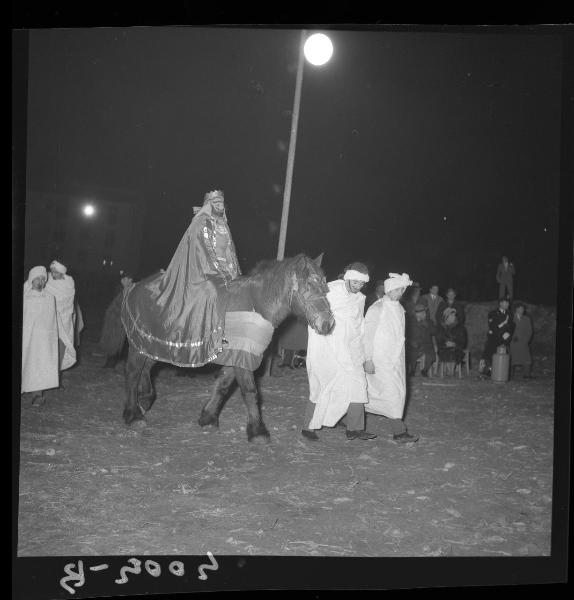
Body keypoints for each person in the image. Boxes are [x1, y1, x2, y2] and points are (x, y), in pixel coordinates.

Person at [122, 190, 241, 366]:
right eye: (216, 203)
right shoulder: (202, 222)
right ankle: (211, 337)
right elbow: (204, 250)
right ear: (208, 205)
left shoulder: (224, 225)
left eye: (222, 203)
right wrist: (221, 273)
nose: (220, 206)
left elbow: (231, 253)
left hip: (223, 271)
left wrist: (235, 274)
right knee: (212, 291)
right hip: (202, 271)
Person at [302, 262, 376, 442]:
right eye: (355, 282)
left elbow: (359, 326)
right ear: (348, 277)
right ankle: (308, 426)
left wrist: (363, 354)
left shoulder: (360, 299)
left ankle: (355, 429)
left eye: (361, 283)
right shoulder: (330, 290)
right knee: (323, 384)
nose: (358, 287)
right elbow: (313, 311)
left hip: (351, 349)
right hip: (327, 347)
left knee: (358, 386)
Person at [363, 272, 419, 444]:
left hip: (395, 360)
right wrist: (368, 358)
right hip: (379, 359)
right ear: (389, 289)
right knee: (382, 392)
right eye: (398, 289)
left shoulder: (400, 309)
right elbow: (367, 335)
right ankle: (399, 431)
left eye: (402, 290)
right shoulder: (377, 308)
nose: (400, 293)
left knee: (397, 392)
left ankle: (347, 417)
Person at [21, 266, 60, 406]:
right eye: (37, 278)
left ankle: (37, 395)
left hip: (43, 340)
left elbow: (51, 321)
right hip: (26, 338)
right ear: (31, 279)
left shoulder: (49, 298)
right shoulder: (25, 297)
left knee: (40, 365)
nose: (40, 281)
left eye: (43, 278)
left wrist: (48, 338)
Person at [45, 260, 76, 373]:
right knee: (49, 346)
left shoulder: (69, 282)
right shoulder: (47, 280)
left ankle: (58, 374)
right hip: (49, 318)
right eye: (52, 271)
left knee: (62, 344)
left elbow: (68, 301)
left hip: (64, 319)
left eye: (56, 272)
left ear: (62, 273)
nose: (53, 275)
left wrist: (60, 310)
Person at [99, 271, 135, 368]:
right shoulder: (119, 289)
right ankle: (111, 362)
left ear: (130, 279)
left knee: (122, 343)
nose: (122, 281)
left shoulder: (133, 290)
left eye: (125, 279)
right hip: (115, 320)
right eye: (122, 279)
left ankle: (123, 363)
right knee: (113, 341)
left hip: (125, 322)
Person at [479, 297, 514, 376]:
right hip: (494, 338)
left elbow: (512, 326)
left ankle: (501, 372)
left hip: (505, 339)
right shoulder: (493, 313)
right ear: (500, 303)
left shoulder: (510, 314)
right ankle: (485, 372)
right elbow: (493, 327)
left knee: (504, 356)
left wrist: (508, 333)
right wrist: (503, 326)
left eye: (508, 303)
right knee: (489, 355)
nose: (508, 304)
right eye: (506, 303)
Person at [406, 303, 437, 377]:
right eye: (422, 312)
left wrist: (426, 324)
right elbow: (406, 335)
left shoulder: (429, 321)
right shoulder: (410, 322)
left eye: (424, 312)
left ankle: (425, 370)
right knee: (412, 352)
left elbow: (434, 332)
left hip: (426, 345)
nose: (424, 313)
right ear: (417, 313)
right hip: (414, 344)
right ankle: (412, 370)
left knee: (430, 355)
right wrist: (411, 342)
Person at [435, 309, 468, 376]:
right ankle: (449, 370)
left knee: (455, 352)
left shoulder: (460, 328)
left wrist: (454, 343)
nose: (454, 317)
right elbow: (439, 338)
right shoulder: (441, 327)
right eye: (451, 315)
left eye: (454, 315)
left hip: (456, 347)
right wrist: (446, 343)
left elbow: (463, 340)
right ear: (446, 317)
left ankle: (452, 370)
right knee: (445, 352)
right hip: (444, 347)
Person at [510, 302, 534, 378]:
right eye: (520, 308)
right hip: (513, 342)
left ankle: (527, 375)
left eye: (523, 308)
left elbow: (530, 331)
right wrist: (511, 337)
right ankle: (510, 374)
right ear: (516, 309)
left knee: (527, 358)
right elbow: (507, 329)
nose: (522, 310)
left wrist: (526, 340)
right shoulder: (511, 317)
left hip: (523, 342)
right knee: (511, 358)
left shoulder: (527, 319)